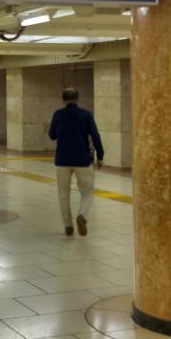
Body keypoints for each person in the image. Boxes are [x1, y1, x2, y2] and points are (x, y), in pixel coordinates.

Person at [48, 87, 104, 237]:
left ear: (63, 99)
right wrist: (100, 156)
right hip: (82, 159)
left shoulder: (58, 115)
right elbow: (95, 135)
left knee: (63, 194)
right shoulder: (86, 115)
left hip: (62, 160)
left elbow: (52, 135)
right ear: (77, 99)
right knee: (87, 192)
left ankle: (68, 226)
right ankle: (82, 216)